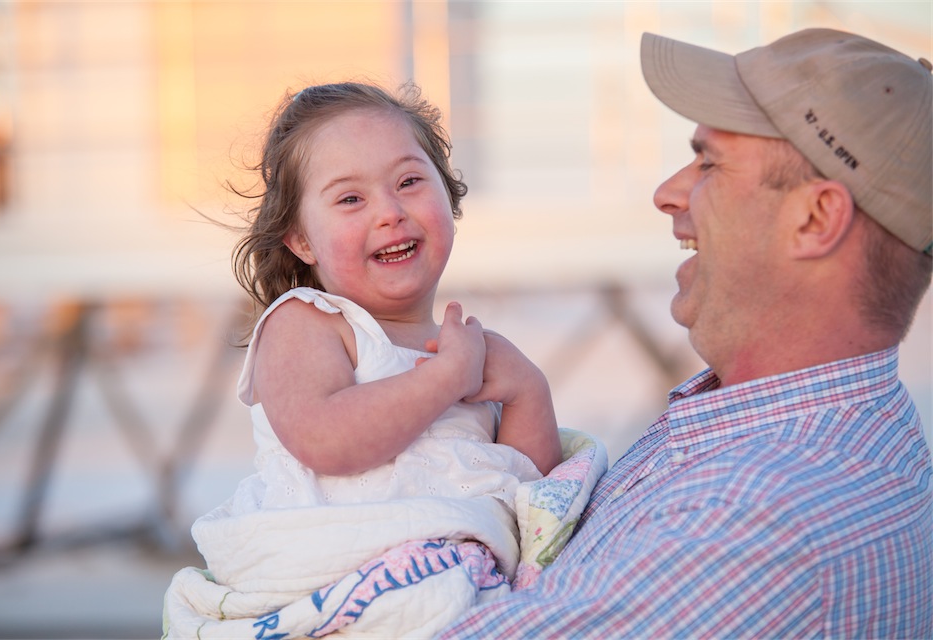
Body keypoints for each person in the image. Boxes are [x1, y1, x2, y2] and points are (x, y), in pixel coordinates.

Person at [440, 28, 932, 638]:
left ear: (815, 219)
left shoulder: (757, 520)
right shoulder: (826, 430)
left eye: (709, 162)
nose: (667, 193)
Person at [163, 82, 601, 639]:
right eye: (351, 199)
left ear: (450, 196)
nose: (390, 213)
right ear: (301, 239)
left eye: (410, 182)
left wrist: (526, 394)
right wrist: (443, 380)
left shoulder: (467, 349)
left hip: (456, 586)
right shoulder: (308, 322)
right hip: (333, 585)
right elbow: (323, 438)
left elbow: (522, 497)